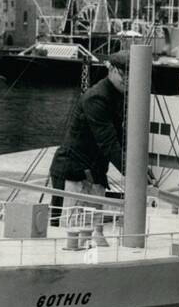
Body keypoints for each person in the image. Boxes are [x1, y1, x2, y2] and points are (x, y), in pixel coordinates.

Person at [48, 50, 131, 225]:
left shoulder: (119, 96)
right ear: (111, 69)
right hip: (73, 173)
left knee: (92, 231)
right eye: (123, 74)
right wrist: (134, 173)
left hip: (94, 174)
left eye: (132, 75)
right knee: (66, 231)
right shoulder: (97, 98)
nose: (127, 80)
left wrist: (141, 168)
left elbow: (121, 138)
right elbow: (108, 142)